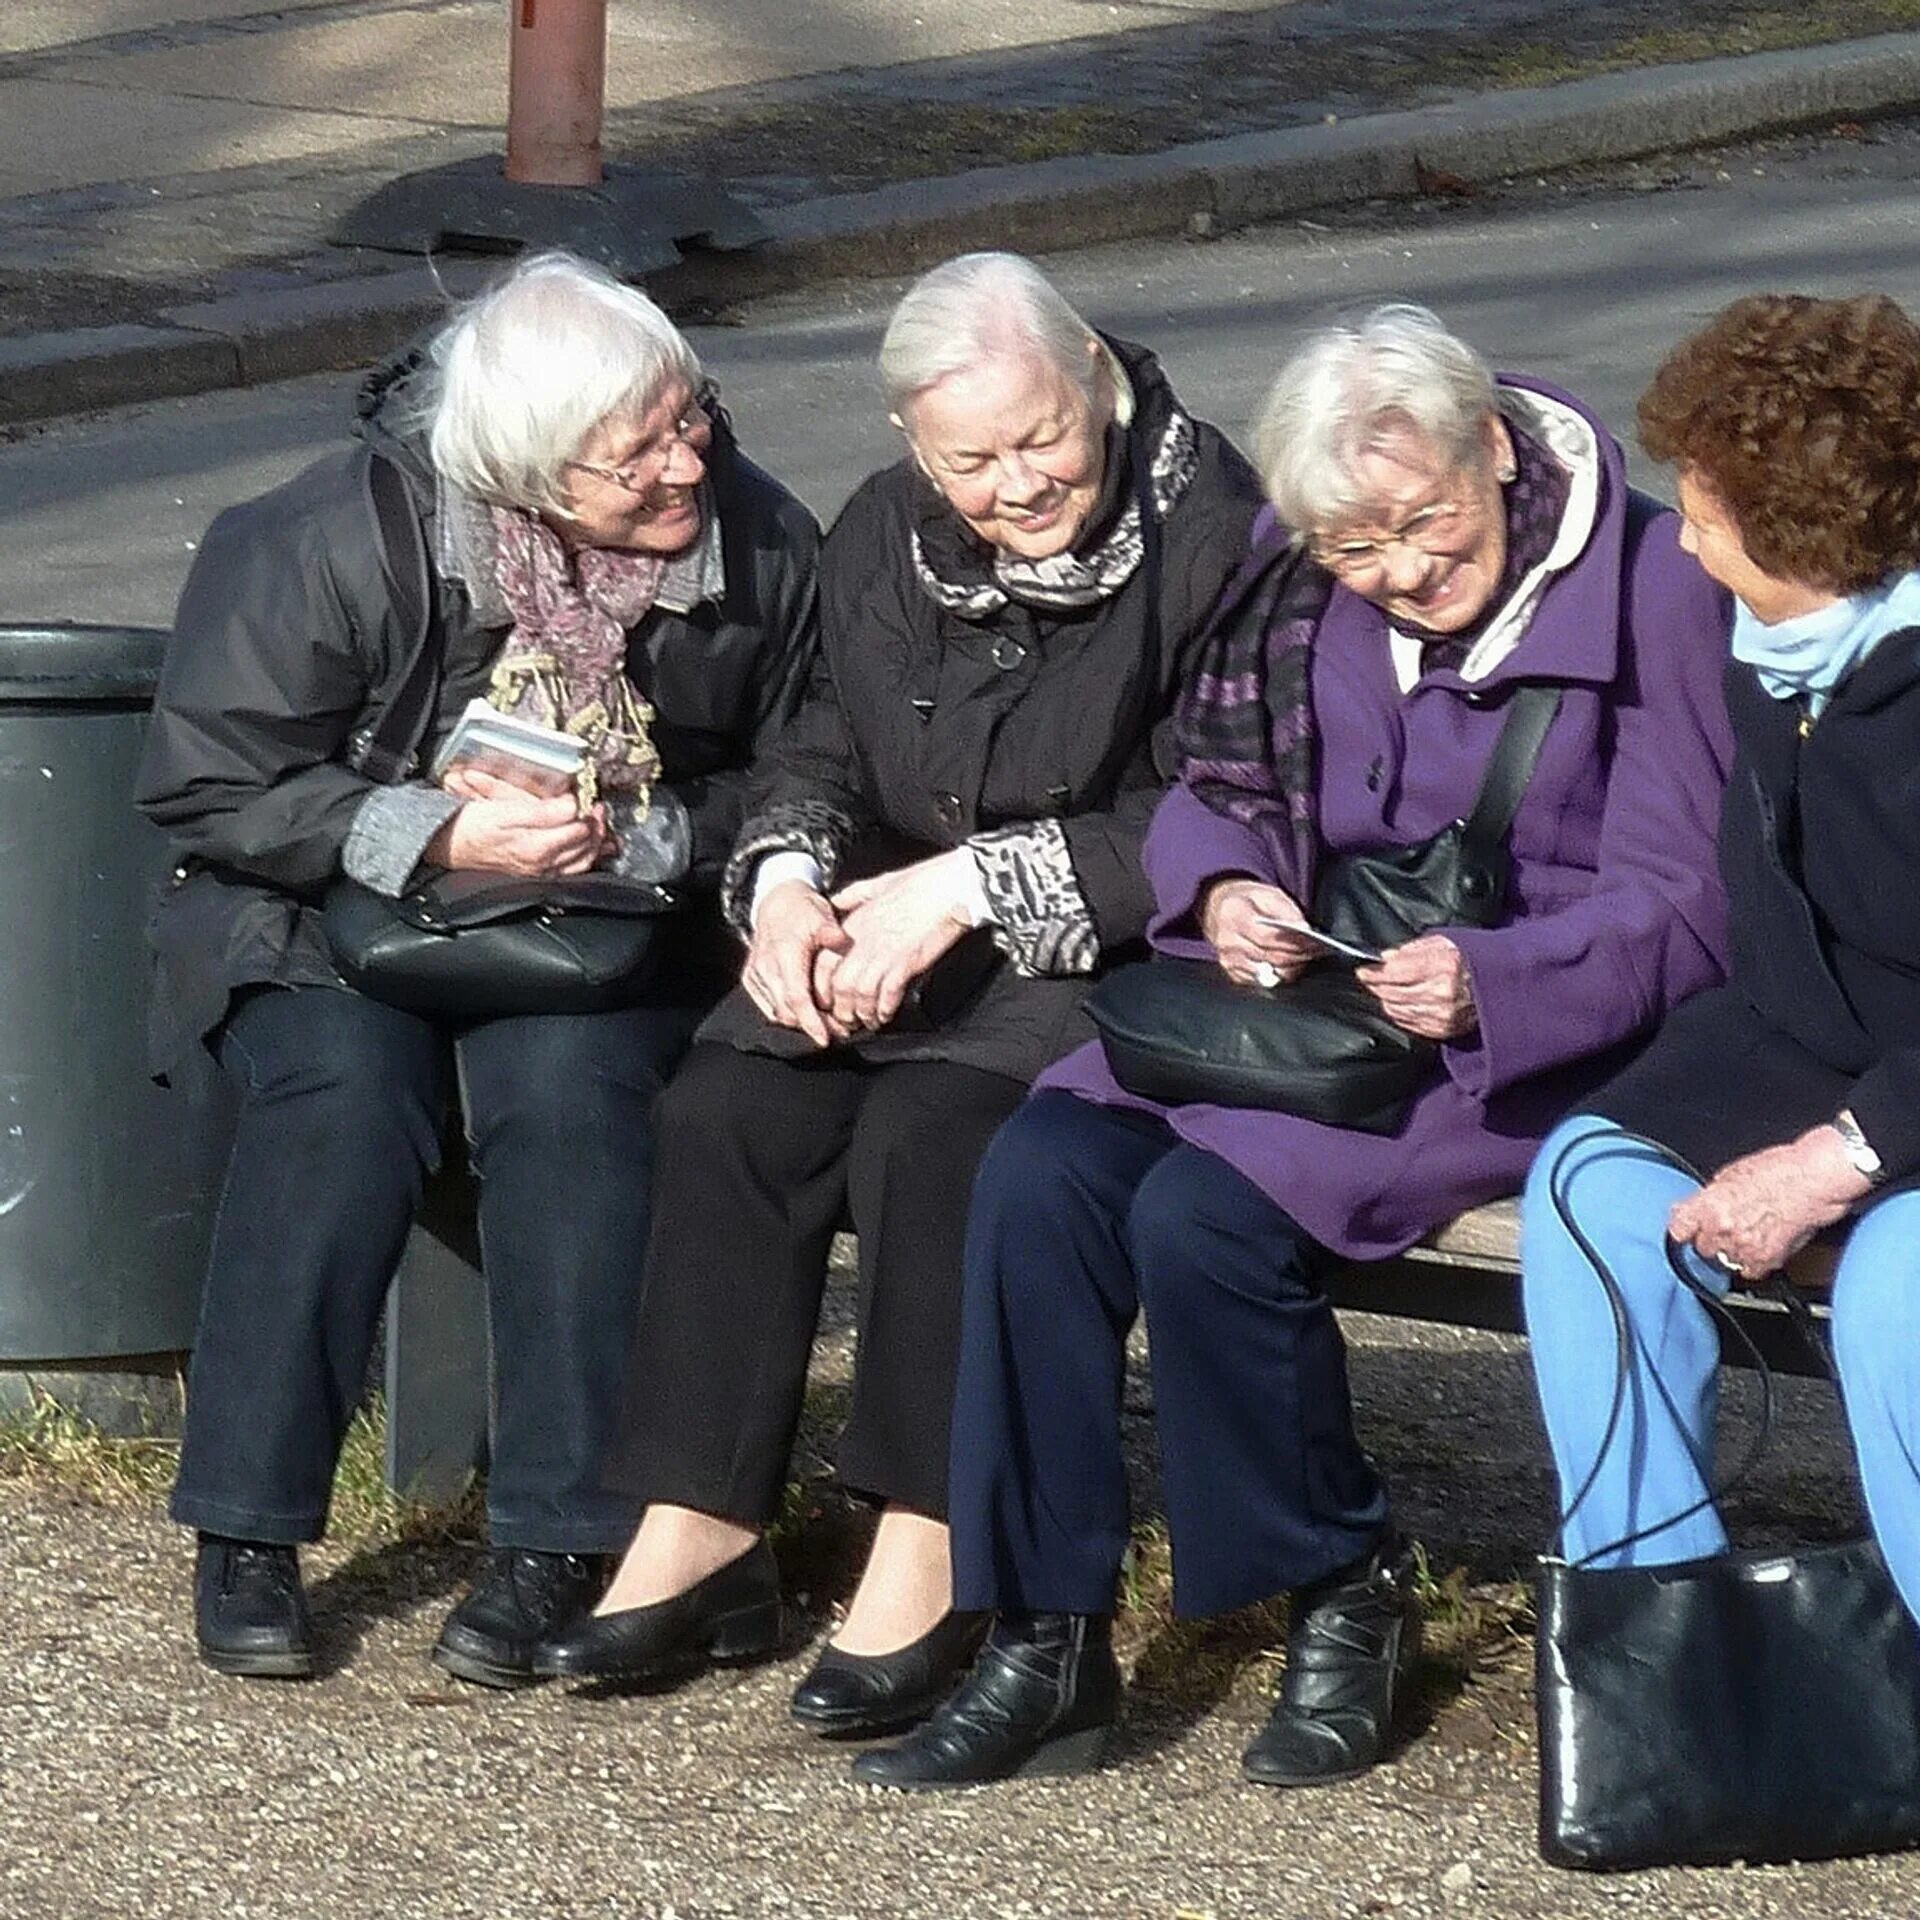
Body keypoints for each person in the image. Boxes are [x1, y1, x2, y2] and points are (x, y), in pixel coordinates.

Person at [855, 303, 1736, 1791]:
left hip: (1522, 1030)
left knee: (1207, 1218)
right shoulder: (1297, 560)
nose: (1398, 575)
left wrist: (1494, 975)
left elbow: (1690, 902)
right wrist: (1227, 884)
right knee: (1039, 1176)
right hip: (1300, 1000)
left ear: (1498, 452)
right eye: (1359, 552)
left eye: (1429, 533)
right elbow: (1217, 781)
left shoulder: (1651, 586)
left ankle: (1342, 1584)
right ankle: (1044, 1629)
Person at [534, 252, 1267, 1737]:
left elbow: (1216, 809)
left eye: (1041, 439)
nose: (1015, 485)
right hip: (891, 913)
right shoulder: (884, 529)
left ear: (1098, 388)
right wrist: (792, 885)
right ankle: (702, 1524)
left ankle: (929, 1539)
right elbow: (814, 744)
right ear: (912, 448)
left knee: (938, 1137)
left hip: (1109, 943)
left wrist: (969, 888)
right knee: (732, 1102)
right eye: (970, 460)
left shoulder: (1213, 534)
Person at [137, 250, 819, 1686]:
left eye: (686, 419)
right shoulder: (331, 536)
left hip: (606, 928)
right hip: (322, 914)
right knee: (340, 1099)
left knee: (576, 1100)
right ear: (522, 467)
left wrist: (639, 843)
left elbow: (815, 771)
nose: (682, 463)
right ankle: (247, 1526)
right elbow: (209, 784)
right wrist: (432, 830)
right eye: (633, 453)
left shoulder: (758, 544)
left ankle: (561, 1537)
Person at [1522, 295, 1920, 1614]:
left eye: (1699, 511)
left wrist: (1841, 1158)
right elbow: (1789, 952)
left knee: (1895, 1298)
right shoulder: (1778, 648)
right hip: (1821, 1047)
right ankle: (1660, 1656)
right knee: (1590, 1189)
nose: (1681, 542)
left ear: (1802, 528)